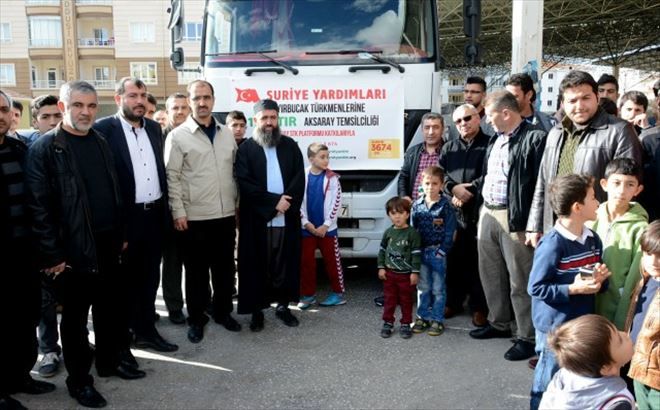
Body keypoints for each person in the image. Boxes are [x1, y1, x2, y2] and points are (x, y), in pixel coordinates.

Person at [26, 81, 144, 409]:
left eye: (92, 106)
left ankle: (107, 363)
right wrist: (53, 255)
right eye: (78, 105)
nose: (86, 112)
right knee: (76, 321)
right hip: (72, 253)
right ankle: (80, 381)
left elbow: (114, 190)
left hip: (107, 244)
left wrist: (120, 233)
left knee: (109, 310)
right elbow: (39, 208)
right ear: (64, 107)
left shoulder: (101, 140)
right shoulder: (46, 148)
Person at [94, 78, 178, 353]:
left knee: (149, 278)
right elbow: (103, 185)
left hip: (153, 217)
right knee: (122, 284)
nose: (139, 100)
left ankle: (146, 332)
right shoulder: (103, 130)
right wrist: (118, 229)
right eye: (132, 95)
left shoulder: (155, 128)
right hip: (124, 221)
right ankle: (123, 340)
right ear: (119, 99)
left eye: (143, 95)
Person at [469, 90, 547, 363]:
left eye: (490, 116)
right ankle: (499, 322)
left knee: (519, 279)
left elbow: (540, 185)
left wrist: (532, 223)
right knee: (490, 274)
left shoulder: (534, 139)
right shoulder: (496, 140)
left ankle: (526, 336)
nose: (488, 121)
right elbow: (490, 176)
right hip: (488, 212)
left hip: (516, 219)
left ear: (505, 112)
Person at [527, 70, 642, 243]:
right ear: (563, 103)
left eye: (585, 98)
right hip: (556, 228)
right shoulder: (556, 132)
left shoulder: (619, 131)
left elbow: (628, 188)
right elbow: (543, 181)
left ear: (597, 97)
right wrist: (535, 225)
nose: (579, 106)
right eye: (572, 100)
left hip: (597, 230)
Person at [527, 174, 611, 409]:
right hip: (555, 328)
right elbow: (535, 287)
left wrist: (600, 281)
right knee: (549, 376)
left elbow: (591, 279)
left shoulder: (592, 239)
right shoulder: (552, 243)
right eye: (593, 198)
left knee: (573, 377)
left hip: (579, 324)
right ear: (577, 207)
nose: (598, 203)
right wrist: (573, 288)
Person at [166, 79, 240, 343]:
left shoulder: (225, 133)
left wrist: (236, 206)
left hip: (224, 215)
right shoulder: (178, 136)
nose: (202, 103)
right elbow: (171, 176)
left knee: (224, 271)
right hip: (194, 218)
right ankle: (196, 319)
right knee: (196, 274)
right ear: (189, 101)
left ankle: (222, 312)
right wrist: (178, 212)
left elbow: (234, 172)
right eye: (196, 98)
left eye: (206, 97)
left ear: (213, 100)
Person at [0, 89, 56, 410]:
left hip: (25, 254)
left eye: (5, 109)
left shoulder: (21, 150)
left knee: (24, 318)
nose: (1, 115)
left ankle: (21, 376)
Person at [235, 98, 305, 332]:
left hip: (287, 218)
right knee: (258, 264)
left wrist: (285, 203)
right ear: (256, 120)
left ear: (278, 119)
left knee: (283, 263)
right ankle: (257, 311)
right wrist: (274, 203)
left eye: (273, 117)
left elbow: (298, 179)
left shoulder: (290, 145)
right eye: (264, 118)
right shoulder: (246, 149)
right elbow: (245, 184)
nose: (269, 122)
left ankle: (283, 306)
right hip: (257, 219)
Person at [440, 104, 490, 326]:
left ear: (478, 118)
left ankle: (479, 308)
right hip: (454, 213)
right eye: (458, 121)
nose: (463, 124)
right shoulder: (448, 147)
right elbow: (440, 175)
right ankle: (453, 302)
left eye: (467, 118)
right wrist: (452, 188)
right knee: (454, 260)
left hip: (479, 212)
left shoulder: (490, 144)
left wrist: (467, 190)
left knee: (479, 262)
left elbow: (492, 175)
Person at [27, 94, 65, 378]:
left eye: (57, 116)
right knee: (45, 302)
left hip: (73, 240)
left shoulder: (73, 146)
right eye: (45, 117)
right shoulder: (26, 150)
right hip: (40, 242)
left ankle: (78, 346)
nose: (52, 122)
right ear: (35, 121)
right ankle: (49, 349)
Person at [587, 158, 647, 330]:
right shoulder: (591, 217)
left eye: (630, 185)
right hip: (586, 297)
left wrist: (623, 317)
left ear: (638, 190)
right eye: (616, 183)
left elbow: (635, 277)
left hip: (615, 303)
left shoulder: (640, 227)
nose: (621, 190)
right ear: (604, 184)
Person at [539, 315, 635, 410]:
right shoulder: (616, 403)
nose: (625, 334)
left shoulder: (563, 377)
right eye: (620, 341)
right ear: (607, 368)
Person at [298, 142, 345, 309]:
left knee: (332, 261)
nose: (326, 160)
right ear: (311, 159)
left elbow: (336, 203)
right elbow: (298, 202)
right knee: (306, 263)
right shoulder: (302, 176)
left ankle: (338, 293)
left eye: (327, 157)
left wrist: (326, 225)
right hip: (307, 229)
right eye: (322, 157)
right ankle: (308, 295)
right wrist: (306, 223)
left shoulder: (332, 178)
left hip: (327, 230)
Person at [411, 166, 456, 336]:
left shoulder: (445, 206)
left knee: (438, 288)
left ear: (441, 185)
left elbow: (450, 231)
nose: (430, 187)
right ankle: (422, 317)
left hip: (437, 252)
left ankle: (437, 320)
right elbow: (412, 230)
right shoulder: (417, 205)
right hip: (421, 252)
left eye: (434, 183)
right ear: (422, 184)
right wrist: (413, 251)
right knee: (423, 287)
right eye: (427, 183)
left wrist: (442, 251)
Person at [161, 92, 191, 325]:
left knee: (196, 261)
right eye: (175, 108)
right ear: (168, 111)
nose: (180, 112)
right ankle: (174, 306)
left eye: (184, 107)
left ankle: (201, 302)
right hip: (166, 211)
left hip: (194, 209)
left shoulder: (195, 134)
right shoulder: (156, 136)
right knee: (172, 263)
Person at [625, 220, 660, 410]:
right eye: (648, 253)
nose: (653, 261)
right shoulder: (644, 280)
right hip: (639, 368)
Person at [377, 196, 422, 339]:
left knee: (406, 300)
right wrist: (381, 267)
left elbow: (416, 254)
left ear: (408, 214)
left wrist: (415, 272)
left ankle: (406, 323)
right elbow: (382, 251)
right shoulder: (388, 233)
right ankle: (388, 322)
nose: (397, 217)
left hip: (405, 275)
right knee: (389, 299)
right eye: (393, 213)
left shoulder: (412, 233)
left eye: (401, 213)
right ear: (389, 215)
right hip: (389, 274)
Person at [398, 112, 445, 203]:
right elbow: (403, 177)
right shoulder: (412, 152)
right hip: (415, 207)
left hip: (439, 208)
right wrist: (404, 196)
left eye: (435, 127)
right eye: (427, 127)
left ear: (442, 129)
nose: (431, 132)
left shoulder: (449, 151)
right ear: (422, 130)